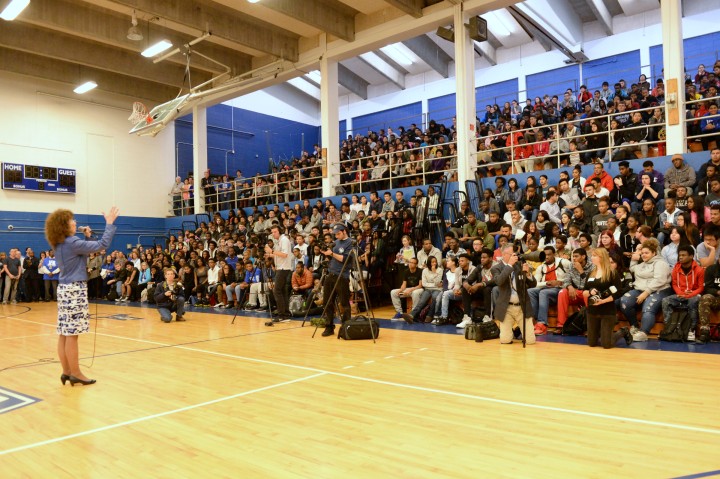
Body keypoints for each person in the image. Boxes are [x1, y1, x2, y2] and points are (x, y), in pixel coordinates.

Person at [45, 206, 118, 386]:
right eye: (72, 220)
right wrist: (109, 223)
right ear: (64, 226)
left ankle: (66, 371)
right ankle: (76, 373)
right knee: (73, 335)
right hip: (75, 290)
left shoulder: (60, 243)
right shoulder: (72, 242)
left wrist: (87, 236)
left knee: (64, 333)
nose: (75, 222)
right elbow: (102, 245)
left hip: (64, 290)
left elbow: (85, 250)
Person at [620, 240, 673, 342]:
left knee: (648, 307)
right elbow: (633, 268)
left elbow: (660, 280)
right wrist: (635, 257)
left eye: (646, 253)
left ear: (654, 253)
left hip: (660, 289)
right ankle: (634, 326)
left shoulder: (660, 263)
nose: (643, 255)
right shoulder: (642, 263)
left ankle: (644, 332)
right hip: (641, 289)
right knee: (624, 301)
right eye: (642, 253)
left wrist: (646, 293)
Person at [583, 248, 633, 348]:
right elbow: (584, 291)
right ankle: (603, 333)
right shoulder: (590, 273)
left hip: (607, 310)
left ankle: (623, 331)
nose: (591, 257)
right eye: (592, 255)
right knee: (591, 343)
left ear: (601, 258)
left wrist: (603, 301)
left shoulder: (612, 273)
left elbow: (618, 292)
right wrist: (589, 292)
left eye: (594, 255)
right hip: (592, 310)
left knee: (606, 344)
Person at [491, 245, 537, 344]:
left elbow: (533, 284)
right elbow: (499, 281)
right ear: (503, 255)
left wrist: (528, 274)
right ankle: (513, 332)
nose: (515, 256)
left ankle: (518, 331)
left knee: (530, 341)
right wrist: (509, 266)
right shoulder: (496, 268)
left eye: (515, 254)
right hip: (506, 308)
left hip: (522, 307)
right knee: (505, 340)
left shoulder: (520, 265)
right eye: (512, 254)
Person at [661, 245, 704, 341]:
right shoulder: (676, 268)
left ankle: (691, 330)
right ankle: (669, 328)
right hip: (680, 294)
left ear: (691, 256)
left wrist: (690, 294)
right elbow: (674, 284)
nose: (680, 257)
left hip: (694, 295)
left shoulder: (699, 270)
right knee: (666, 301)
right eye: (680, 255)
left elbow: (701, 287)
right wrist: (681, 293)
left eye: (684, 255)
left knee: (693, 301)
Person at [527, 246, 571, 335]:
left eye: (549, 255)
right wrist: (547, 283)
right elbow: (535, 283)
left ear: (554, 254)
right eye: (545, 255)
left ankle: (542, 324)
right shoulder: (541, 267)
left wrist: (562, 282)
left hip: (560, 290)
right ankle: (533, 321)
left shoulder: (564, 262)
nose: (546, 257)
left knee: (543, 292)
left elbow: (573, 271)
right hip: (546, 289)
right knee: (530, 291)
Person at [320, 224, 353, 337]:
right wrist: (327, 254)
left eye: (338, 233)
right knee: (327, 301)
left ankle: (346, 326)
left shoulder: (351, 243)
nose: (337, 236)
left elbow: (345, 259)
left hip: (342, 276)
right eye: (335, 234)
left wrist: (332, 253)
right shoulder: (336, 242)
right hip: (331, 273)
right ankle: (329, 327)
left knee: (344, 303)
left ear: (344, 231)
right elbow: (333, 258)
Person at [265, 225, 293, 322]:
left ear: (279, 231)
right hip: (280, 267)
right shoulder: (279, 241)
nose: (273, 234)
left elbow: (285, 255)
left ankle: (282, 315)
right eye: (272, 232)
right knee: (282, 291)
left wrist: (271, 251)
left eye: (275, 232)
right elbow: (279, 254)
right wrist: (270, 254)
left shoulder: (284, 240)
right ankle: (285, 313)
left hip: (283, 268)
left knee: (277, 290)